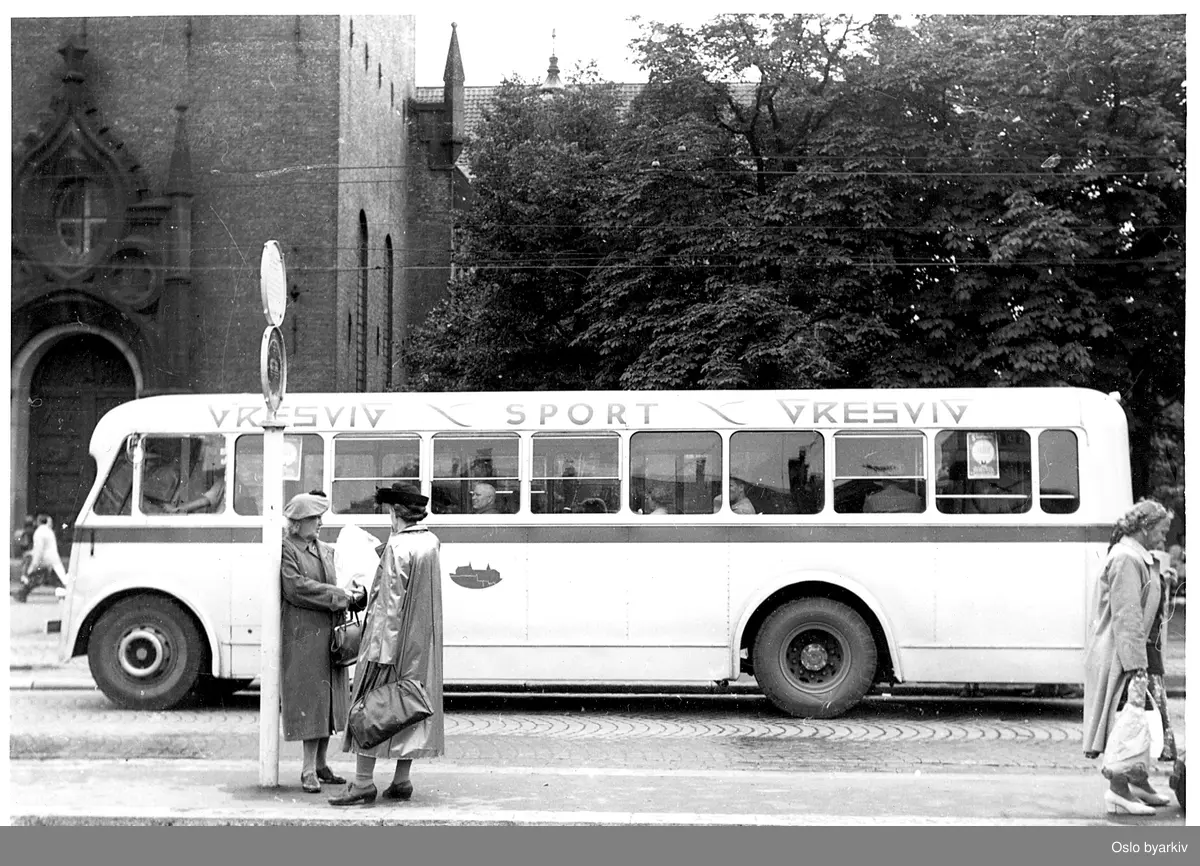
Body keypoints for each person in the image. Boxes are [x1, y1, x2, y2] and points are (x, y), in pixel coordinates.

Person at [331, 482, 444, 806]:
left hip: (390, 646)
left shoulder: (397, 546)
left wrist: (376, 654)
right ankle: (401, 781)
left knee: (370, 707)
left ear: (396, 513)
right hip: (422, 645)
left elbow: (389, 606)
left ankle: (363, 783)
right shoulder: (431, 542)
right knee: (409, 707)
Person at [1083, 499, 1175, 815]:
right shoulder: (1126, 558)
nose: (1165, 537)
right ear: (1145, 529)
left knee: (1141, 720)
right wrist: (1137, 666)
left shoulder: (1134, 556)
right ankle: (1118, 791)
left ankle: (1138, 782)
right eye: (1162, 530)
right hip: (1126, 656)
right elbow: (1127, 615)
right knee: (1127, 722)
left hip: (1136, 651)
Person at [280, 490, 367, 794]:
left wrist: (353, 591)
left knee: (329, 704)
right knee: (312, 703)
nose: (319, 523)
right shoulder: (287, 549)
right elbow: (296, 588)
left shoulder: (324, 549)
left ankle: (321, 765)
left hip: (329, 636)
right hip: (305, 637)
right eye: (314, 518)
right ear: (298, 522)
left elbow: (334, 581)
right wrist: (340, 596)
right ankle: (307, 769)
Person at [16, 514, 67, 602]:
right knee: (54, 580)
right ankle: (22, 594)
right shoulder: (49, 531)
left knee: (38, 579)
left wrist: (33, 565)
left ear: (38, 522)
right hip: (53, 560)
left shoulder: (39, 533)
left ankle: (22, 594)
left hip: (45, 561)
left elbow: (39, 551)